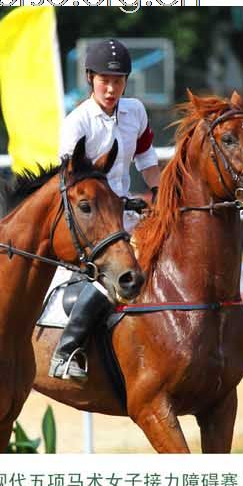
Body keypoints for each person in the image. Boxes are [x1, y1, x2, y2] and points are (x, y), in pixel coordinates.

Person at [49, 36, 160, 383]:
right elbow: (71, 184)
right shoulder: (77, 123)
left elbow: (146, 158)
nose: (111, 89)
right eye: (104, 81)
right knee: (115, 274)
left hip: (126, 216)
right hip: (91, 223)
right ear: (90, 79)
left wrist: (159, 193)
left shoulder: (136, 112)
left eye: (118, 81)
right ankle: (66, 350)